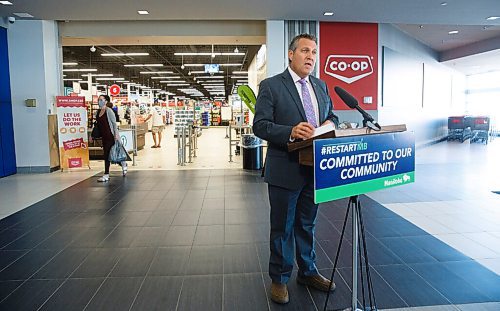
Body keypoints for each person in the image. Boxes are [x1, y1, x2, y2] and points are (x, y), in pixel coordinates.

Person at [253, 33, 340, 304]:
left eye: (314, 52)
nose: (311, 57)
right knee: (282, 226)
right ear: (291, 54)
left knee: (307, 223)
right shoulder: (271, 86)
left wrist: (328, 126)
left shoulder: (321, 86)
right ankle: (279, 278)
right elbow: (260, 125)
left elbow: (332, 116)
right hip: (285, 168)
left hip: (315, 167)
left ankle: (308, 271)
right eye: (305, 51)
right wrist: (290, 131)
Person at [93, 95, 127, 182]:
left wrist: (116, 135)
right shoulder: (98, 112)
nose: (99, 101)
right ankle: (123, 163)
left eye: (101, 99)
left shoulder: (109, 111)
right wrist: (92, 135)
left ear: (106, 101)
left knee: (108, 155)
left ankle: (106, 174)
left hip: (111, 136)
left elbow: (114, 124)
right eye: (99, 99)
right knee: (110, 155)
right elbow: (97, 124)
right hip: (104, 136)